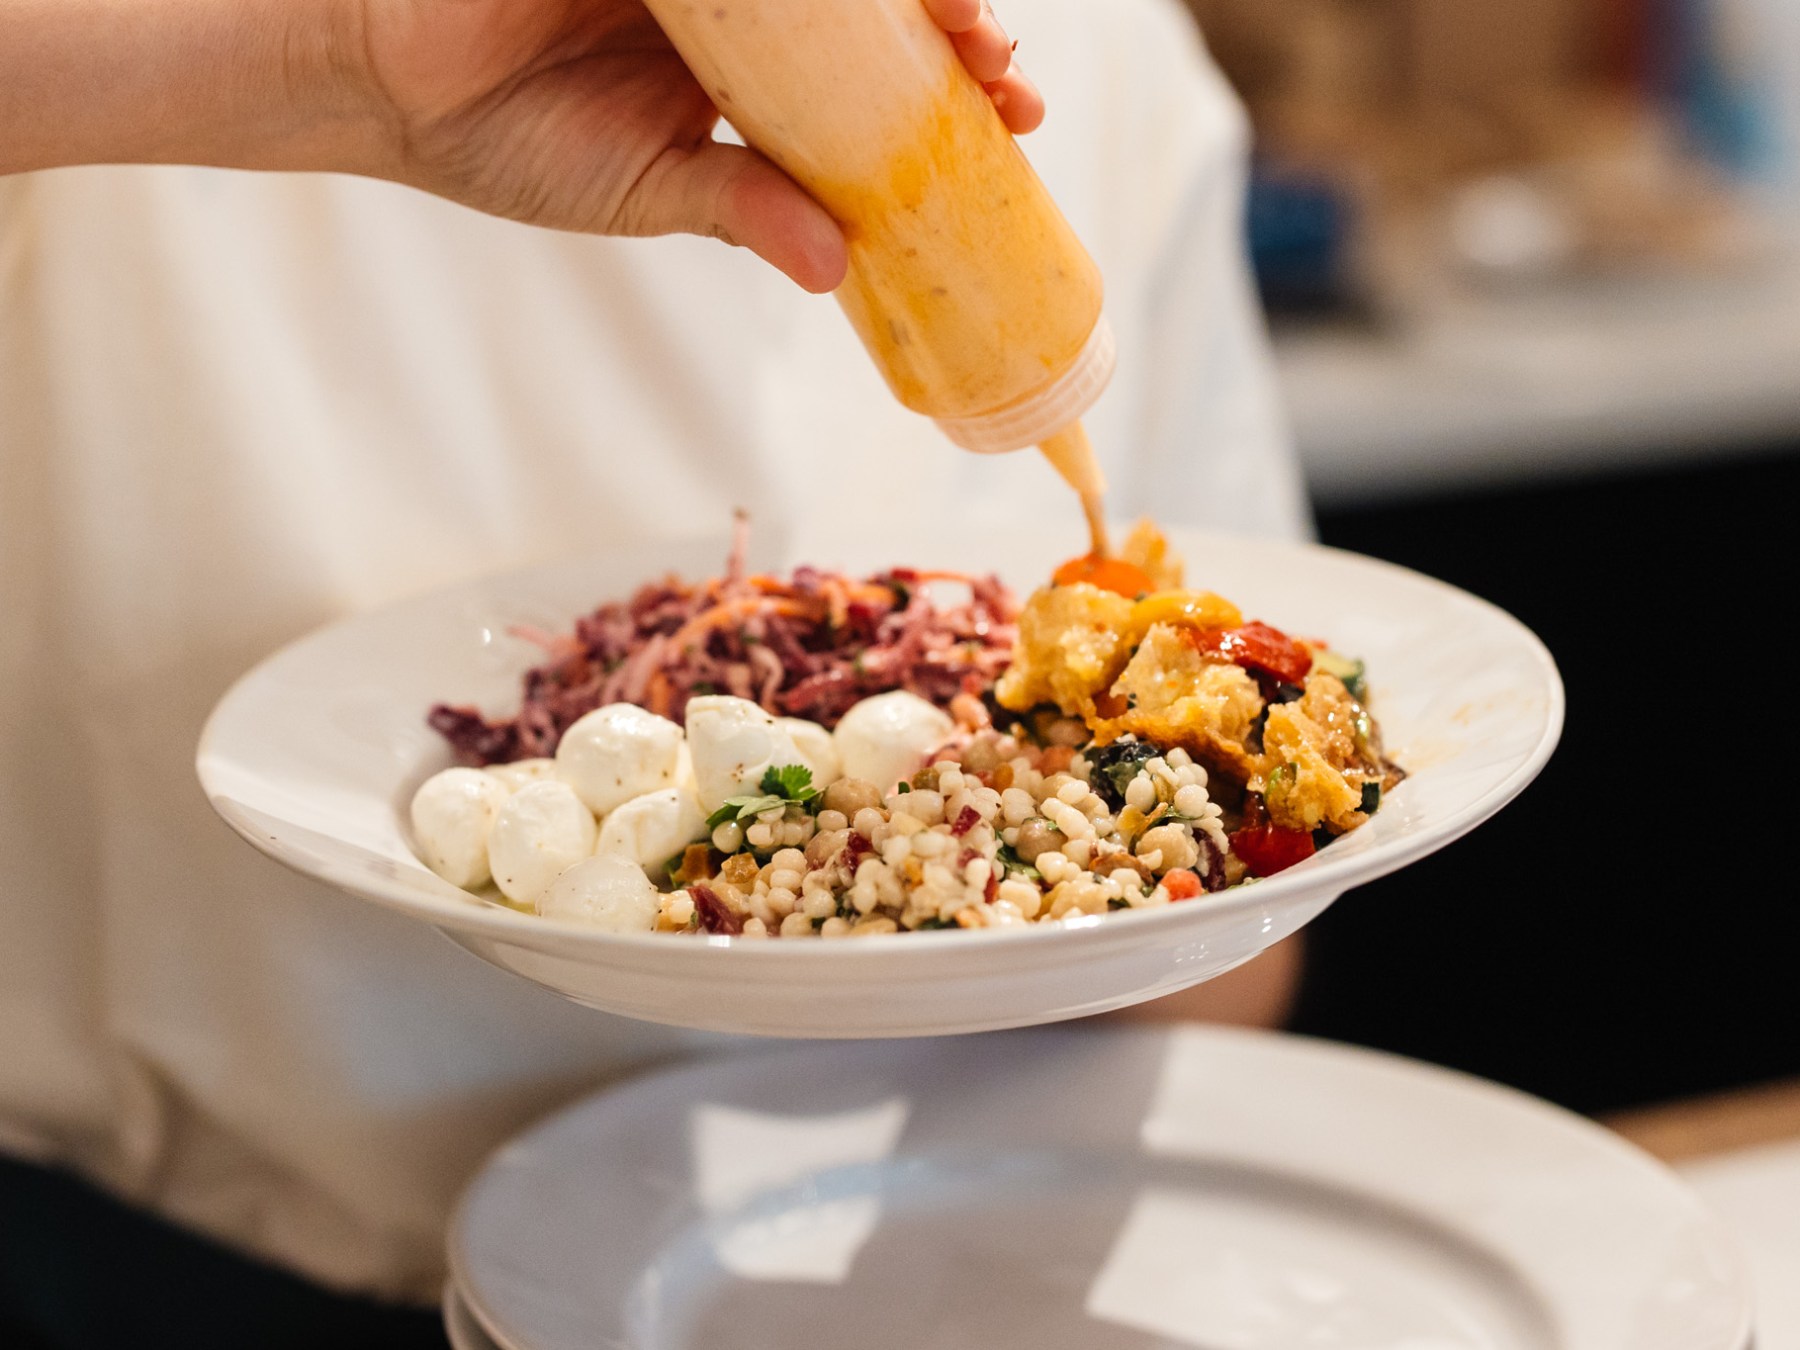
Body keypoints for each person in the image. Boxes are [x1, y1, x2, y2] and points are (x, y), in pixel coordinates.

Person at [0, 0, 1308, 1343]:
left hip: (938, 1256)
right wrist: (333, 58)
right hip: (202, 1268)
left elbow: (1236, 956)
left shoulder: (1103, 46)